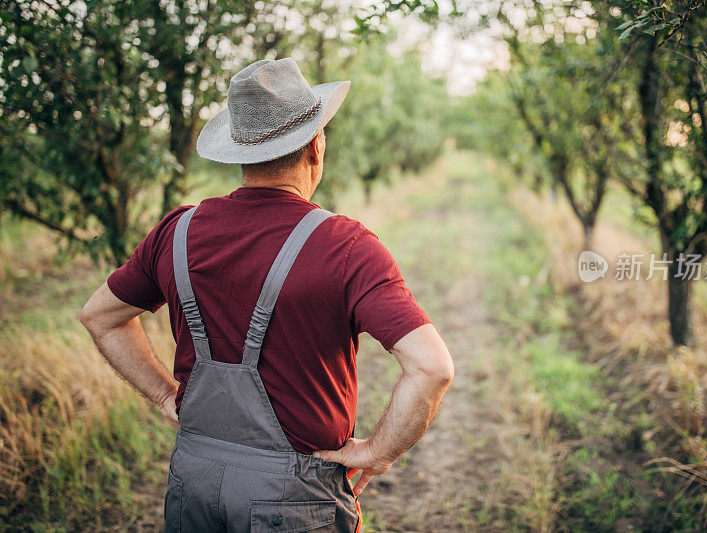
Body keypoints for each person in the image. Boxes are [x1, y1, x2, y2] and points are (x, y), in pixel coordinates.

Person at [79, 57, 454, 532]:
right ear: (316, 147)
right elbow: (432, 366)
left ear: (240, 154)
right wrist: (376, 453)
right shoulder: (346, 247)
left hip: (194, 481)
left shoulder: (176, 232)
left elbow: (100, 316)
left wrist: (163, 395)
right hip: (297, 498)